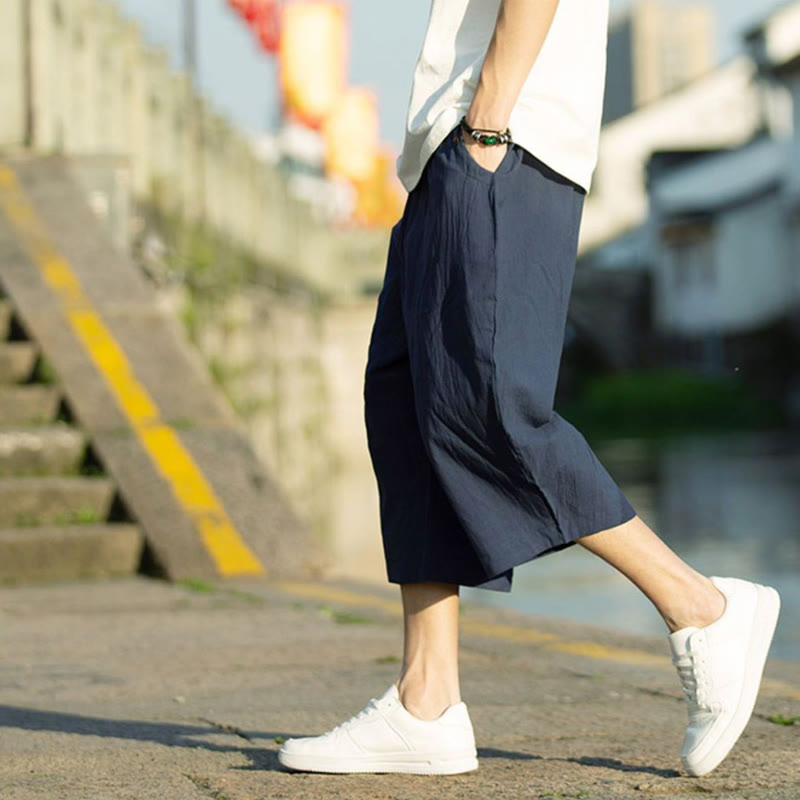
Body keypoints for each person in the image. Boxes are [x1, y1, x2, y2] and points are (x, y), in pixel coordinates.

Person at [278, 0, 781, 778]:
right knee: (407, 402)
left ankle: (699, 606)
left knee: (491, 407)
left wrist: (488, 120)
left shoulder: (495, 129)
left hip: (502, 139)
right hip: (451, 148)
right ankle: (426, 701)